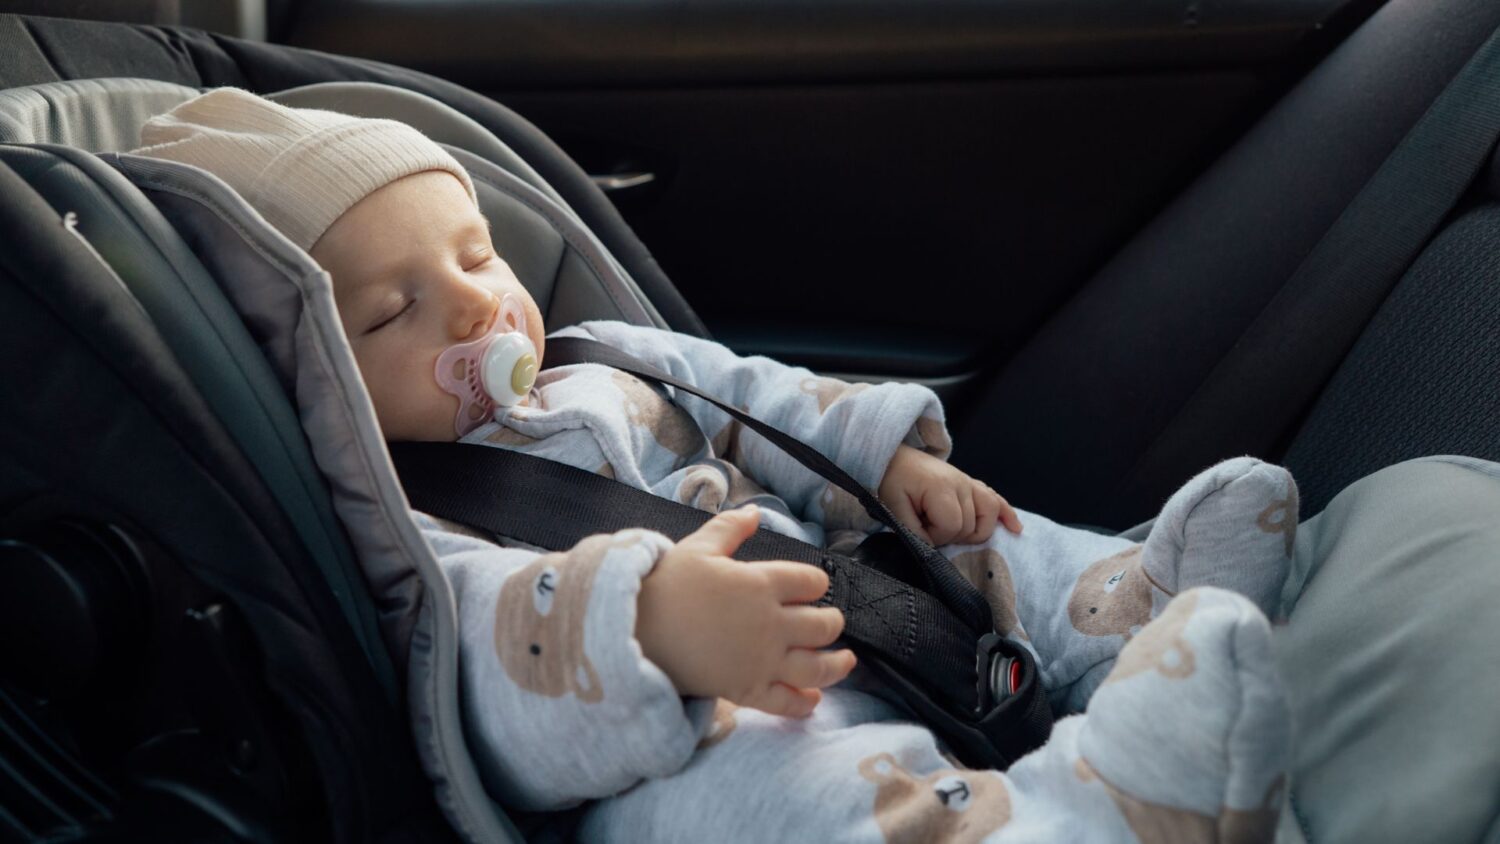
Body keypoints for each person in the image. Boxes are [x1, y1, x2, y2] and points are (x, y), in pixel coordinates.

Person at [134, 88, 1294, 842]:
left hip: (851, 587)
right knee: (788, 797)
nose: (476, 304)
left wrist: (881, 456)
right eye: (396, 312)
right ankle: (1080, 817)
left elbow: (749, 394)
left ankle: (1141, 598)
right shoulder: (403, 523)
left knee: (978, 538)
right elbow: (482, 661)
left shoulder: (599, 355)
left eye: (478, 253)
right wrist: (648, 630)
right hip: (698, 727)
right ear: (313, 389)